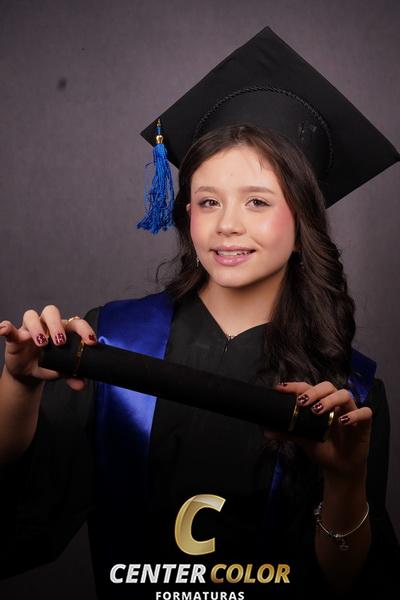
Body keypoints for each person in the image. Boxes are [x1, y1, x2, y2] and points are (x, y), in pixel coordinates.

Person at [0, 26, 399, 600]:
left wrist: (345, 481)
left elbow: (349, 584)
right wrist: (20, 384)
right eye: (208, 201)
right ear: (187, 211)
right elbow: (23, 506)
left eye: (257, 201)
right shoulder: (111, 343)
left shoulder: (348, 392)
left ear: (303, 221)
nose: (227, 225)